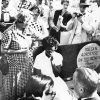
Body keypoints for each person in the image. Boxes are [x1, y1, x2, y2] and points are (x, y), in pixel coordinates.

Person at [1, 13, 32, 100]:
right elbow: (3, 50)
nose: (28, 23)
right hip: (13, 67)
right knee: (13, 91)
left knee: (23, 91)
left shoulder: (26, 30)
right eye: (27, 21)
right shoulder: (9, 32)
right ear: (20, 21)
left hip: (25, 66)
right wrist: (20, 51)